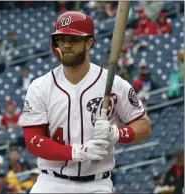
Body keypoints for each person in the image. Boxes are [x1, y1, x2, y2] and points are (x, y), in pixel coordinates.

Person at [19, 11, 151, 193]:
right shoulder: (40, 86)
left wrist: (116, 133)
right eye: (61, 39)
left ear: (89, 42)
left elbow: (144, 127)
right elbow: (32, 140)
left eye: (73, 39)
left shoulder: (114, 84)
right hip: (51, 182)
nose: (65, 45)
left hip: (97, 184)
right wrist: (76, 152)